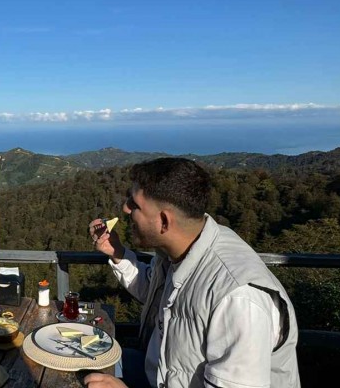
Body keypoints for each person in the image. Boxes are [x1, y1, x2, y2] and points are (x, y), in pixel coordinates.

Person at [84, 158, 300, 388]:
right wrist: (117, 253)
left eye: (135, 204)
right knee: (82, 359)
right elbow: (161, 294)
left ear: (164, 221)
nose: (125, 208)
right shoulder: (184, 248)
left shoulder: (238, 299)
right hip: (159, 374)